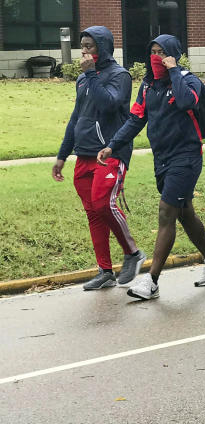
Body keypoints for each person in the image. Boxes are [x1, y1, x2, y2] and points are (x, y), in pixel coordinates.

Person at [98, 35, 205, 300]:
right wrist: (112, 146)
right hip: (162, 158)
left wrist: (173, 70)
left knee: (167, 212)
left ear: (175, 55)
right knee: (185, 213)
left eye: (163, 52)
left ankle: (152, 281)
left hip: (186, 157)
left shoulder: (189, 81)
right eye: (153, 52)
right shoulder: (148, 85)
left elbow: (185, 102)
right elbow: (136, 120)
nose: (157, 57)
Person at [53, 26, 145, 290]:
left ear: (102, 47)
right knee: (93, 213)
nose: (84, 51)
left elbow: (109, 104)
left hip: (110, 153)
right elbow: (76, 118)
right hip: (83, 153)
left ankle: (133, 253)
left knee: (104, 204)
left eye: (89, 47)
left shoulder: (120, 75)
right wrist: (62, 155)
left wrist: (91, 74)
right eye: (82, 46)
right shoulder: (83, 79)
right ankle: (105, 270)